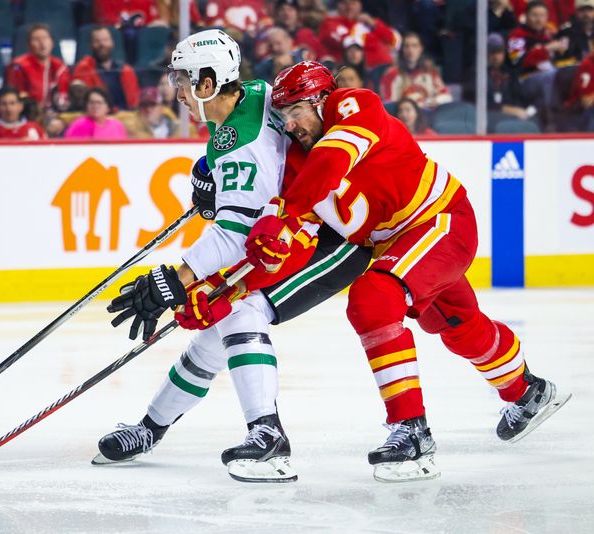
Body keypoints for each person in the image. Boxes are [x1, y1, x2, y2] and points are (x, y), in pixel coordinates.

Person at [244, 61, 571, 482]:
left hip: (440, 221)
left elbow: (328, 165)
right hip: (400, 243)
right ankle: (527, 390)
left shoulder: (354, 104)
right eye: (283, 118)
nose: (290, 126)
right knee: (457, 326)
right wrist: (229, 286)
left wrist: (282, 212)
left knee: (372, 300)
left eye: (295, 113)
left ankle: (410, 429)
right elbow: (291, 236)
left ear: (321, 99)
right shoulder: (297, 161)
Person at [92, 30, 370, 483]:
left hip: (334, 239)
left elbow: (236, 234)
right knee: (217, 322)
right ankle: (151, 428)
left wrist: (173, 280)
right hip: (300, 230)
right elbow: (271, 162)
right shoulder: (257, 93)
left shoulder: (237, 143)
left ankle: (268, 437)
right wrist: (211, 176)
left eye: (182, 80)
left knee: (239, 310)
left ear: (207, 83)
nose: (175, 91)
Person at [71, 26, 140, 111]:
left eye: (105, 40)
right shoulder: (83, 68)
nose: (102, 44)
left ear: (112, 43)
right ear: (90, 45)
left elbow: (135, 103)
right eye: (97, 41)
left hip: (126, 116)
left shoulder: (126, 70)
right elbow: (86, 102)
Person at [5, 23, 70, 111]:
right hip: (30, 115)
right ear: (29, 45)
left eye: (45, 38)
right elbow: (15, 98)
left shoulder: (61, 67)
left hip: (58, 113)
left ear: (52, 42)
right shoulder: (19, 66)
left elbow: (65, 96)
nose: (42, 43)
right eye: (36, 39)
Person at [378, 32, 452, 109]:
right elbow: (387, 104)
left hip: (427, 117)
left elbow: (447, 97)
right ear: (402, 50)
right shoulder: (390, 74)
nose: (410, 51)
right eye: (407, 46)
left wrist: (430, 101)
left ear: (421, 49)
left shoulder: (430, 72)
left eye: (415, 46)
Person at [318, 0, 397, 69]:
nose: (349, 7)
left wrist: (374, 24)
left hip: (385, 70)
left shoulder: (370, 22)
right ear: (338, 5)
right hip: (350, 73)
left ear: (360, 4)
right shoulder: (330, 23)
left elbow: (393, 40)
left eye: (353, 3)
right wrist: (375, 40)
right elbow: (349, 43)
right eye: (344, 3)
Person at [121, 86, 185, 138]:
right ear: (139, 108)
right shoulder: (131, 126)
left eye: (152, 105)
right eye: (144, 105)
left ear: (161, 107)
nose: (148, 109)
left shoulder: (176, 127)